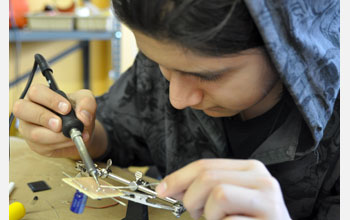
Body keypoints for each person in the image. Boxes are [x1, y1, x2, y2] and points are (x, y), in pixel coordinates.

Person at [13, 0, 339, 219]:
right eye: (160, 65)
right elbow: (122, 128)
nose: (177, 99)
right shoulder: (162, 68)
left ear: (292, 51)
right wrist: (86, 135)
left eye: (206, 75)